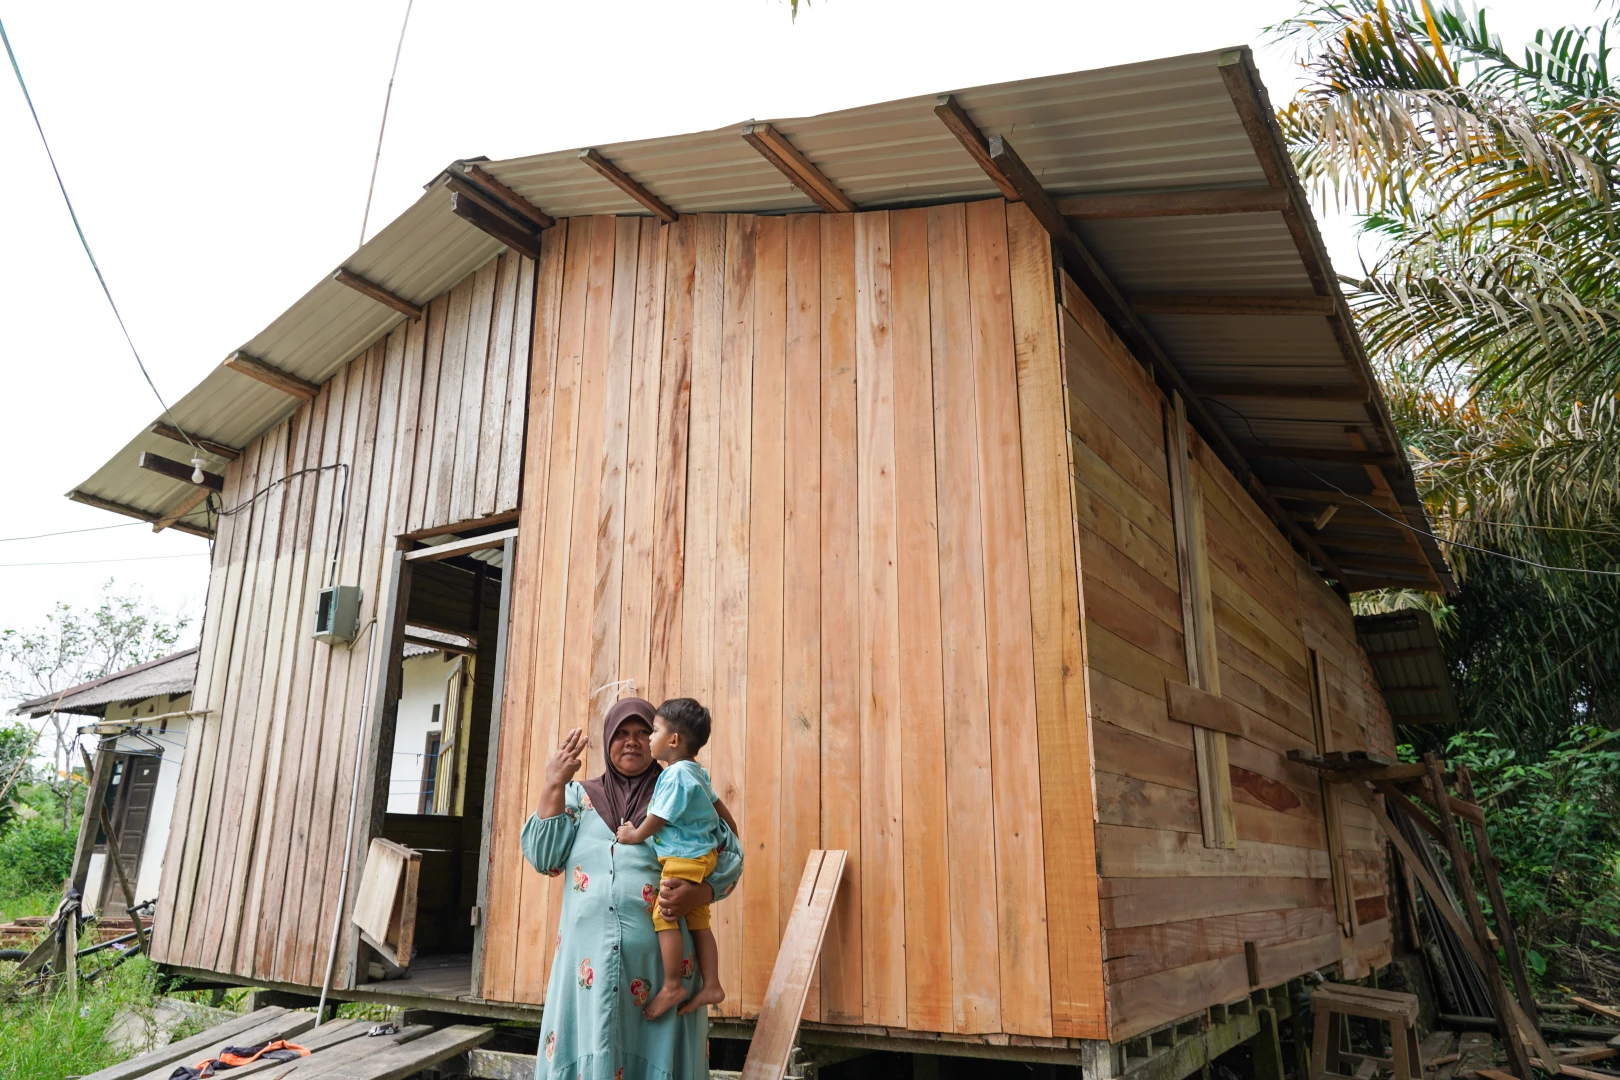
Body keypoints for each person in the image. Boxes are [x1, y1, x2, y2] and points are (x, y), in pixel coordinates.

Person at [521, 697, 742, 1080]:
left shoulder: (680, 791)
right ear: (608, 739)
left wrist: (701, 893)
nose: (633, 741)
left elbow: (731, 852)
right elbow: (545, 859)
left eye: (643, 732)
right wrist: (554, 782)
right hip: (587, 971)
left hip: (662, 973)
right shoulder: (578, 797)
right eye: (621, 733)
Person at [613, 698, 738, 1019]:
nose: (648, 739)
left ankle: (672, 985)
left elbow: (659, 816)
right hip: (701, 856)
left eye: (653, 731)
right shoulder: (696, 772)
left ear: (673, 740)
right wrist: (730, 837)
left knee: (664, 915)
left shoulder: (674, 775)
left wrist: (634, 835)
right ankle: (712, 984)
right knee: (698, 921)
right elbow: (722, 811)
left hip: (683, 856)